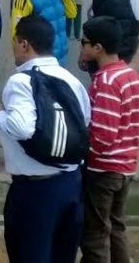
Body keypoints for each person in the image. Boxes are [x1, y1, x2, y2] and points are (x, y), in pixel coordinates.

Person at [0, 15, 90, 263]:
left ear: (25, 44)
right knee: (62, 255)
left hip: (34, 190)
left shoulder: (21, 80)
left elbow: (22, 128)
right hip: (71, 183)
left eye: (15, 42)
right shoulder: (72, 80)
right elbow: (84, 123)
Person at [79, 16, 139, 263]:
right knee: (116, 228)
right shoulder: (130, 75)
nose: (81, 48)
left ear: (97, 48)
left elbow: (103, 136)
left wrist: (82, 148)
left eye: (84, 43)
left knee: (95, 234)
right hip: (125, 166)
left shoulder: (106, 81)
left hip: (104, 169)